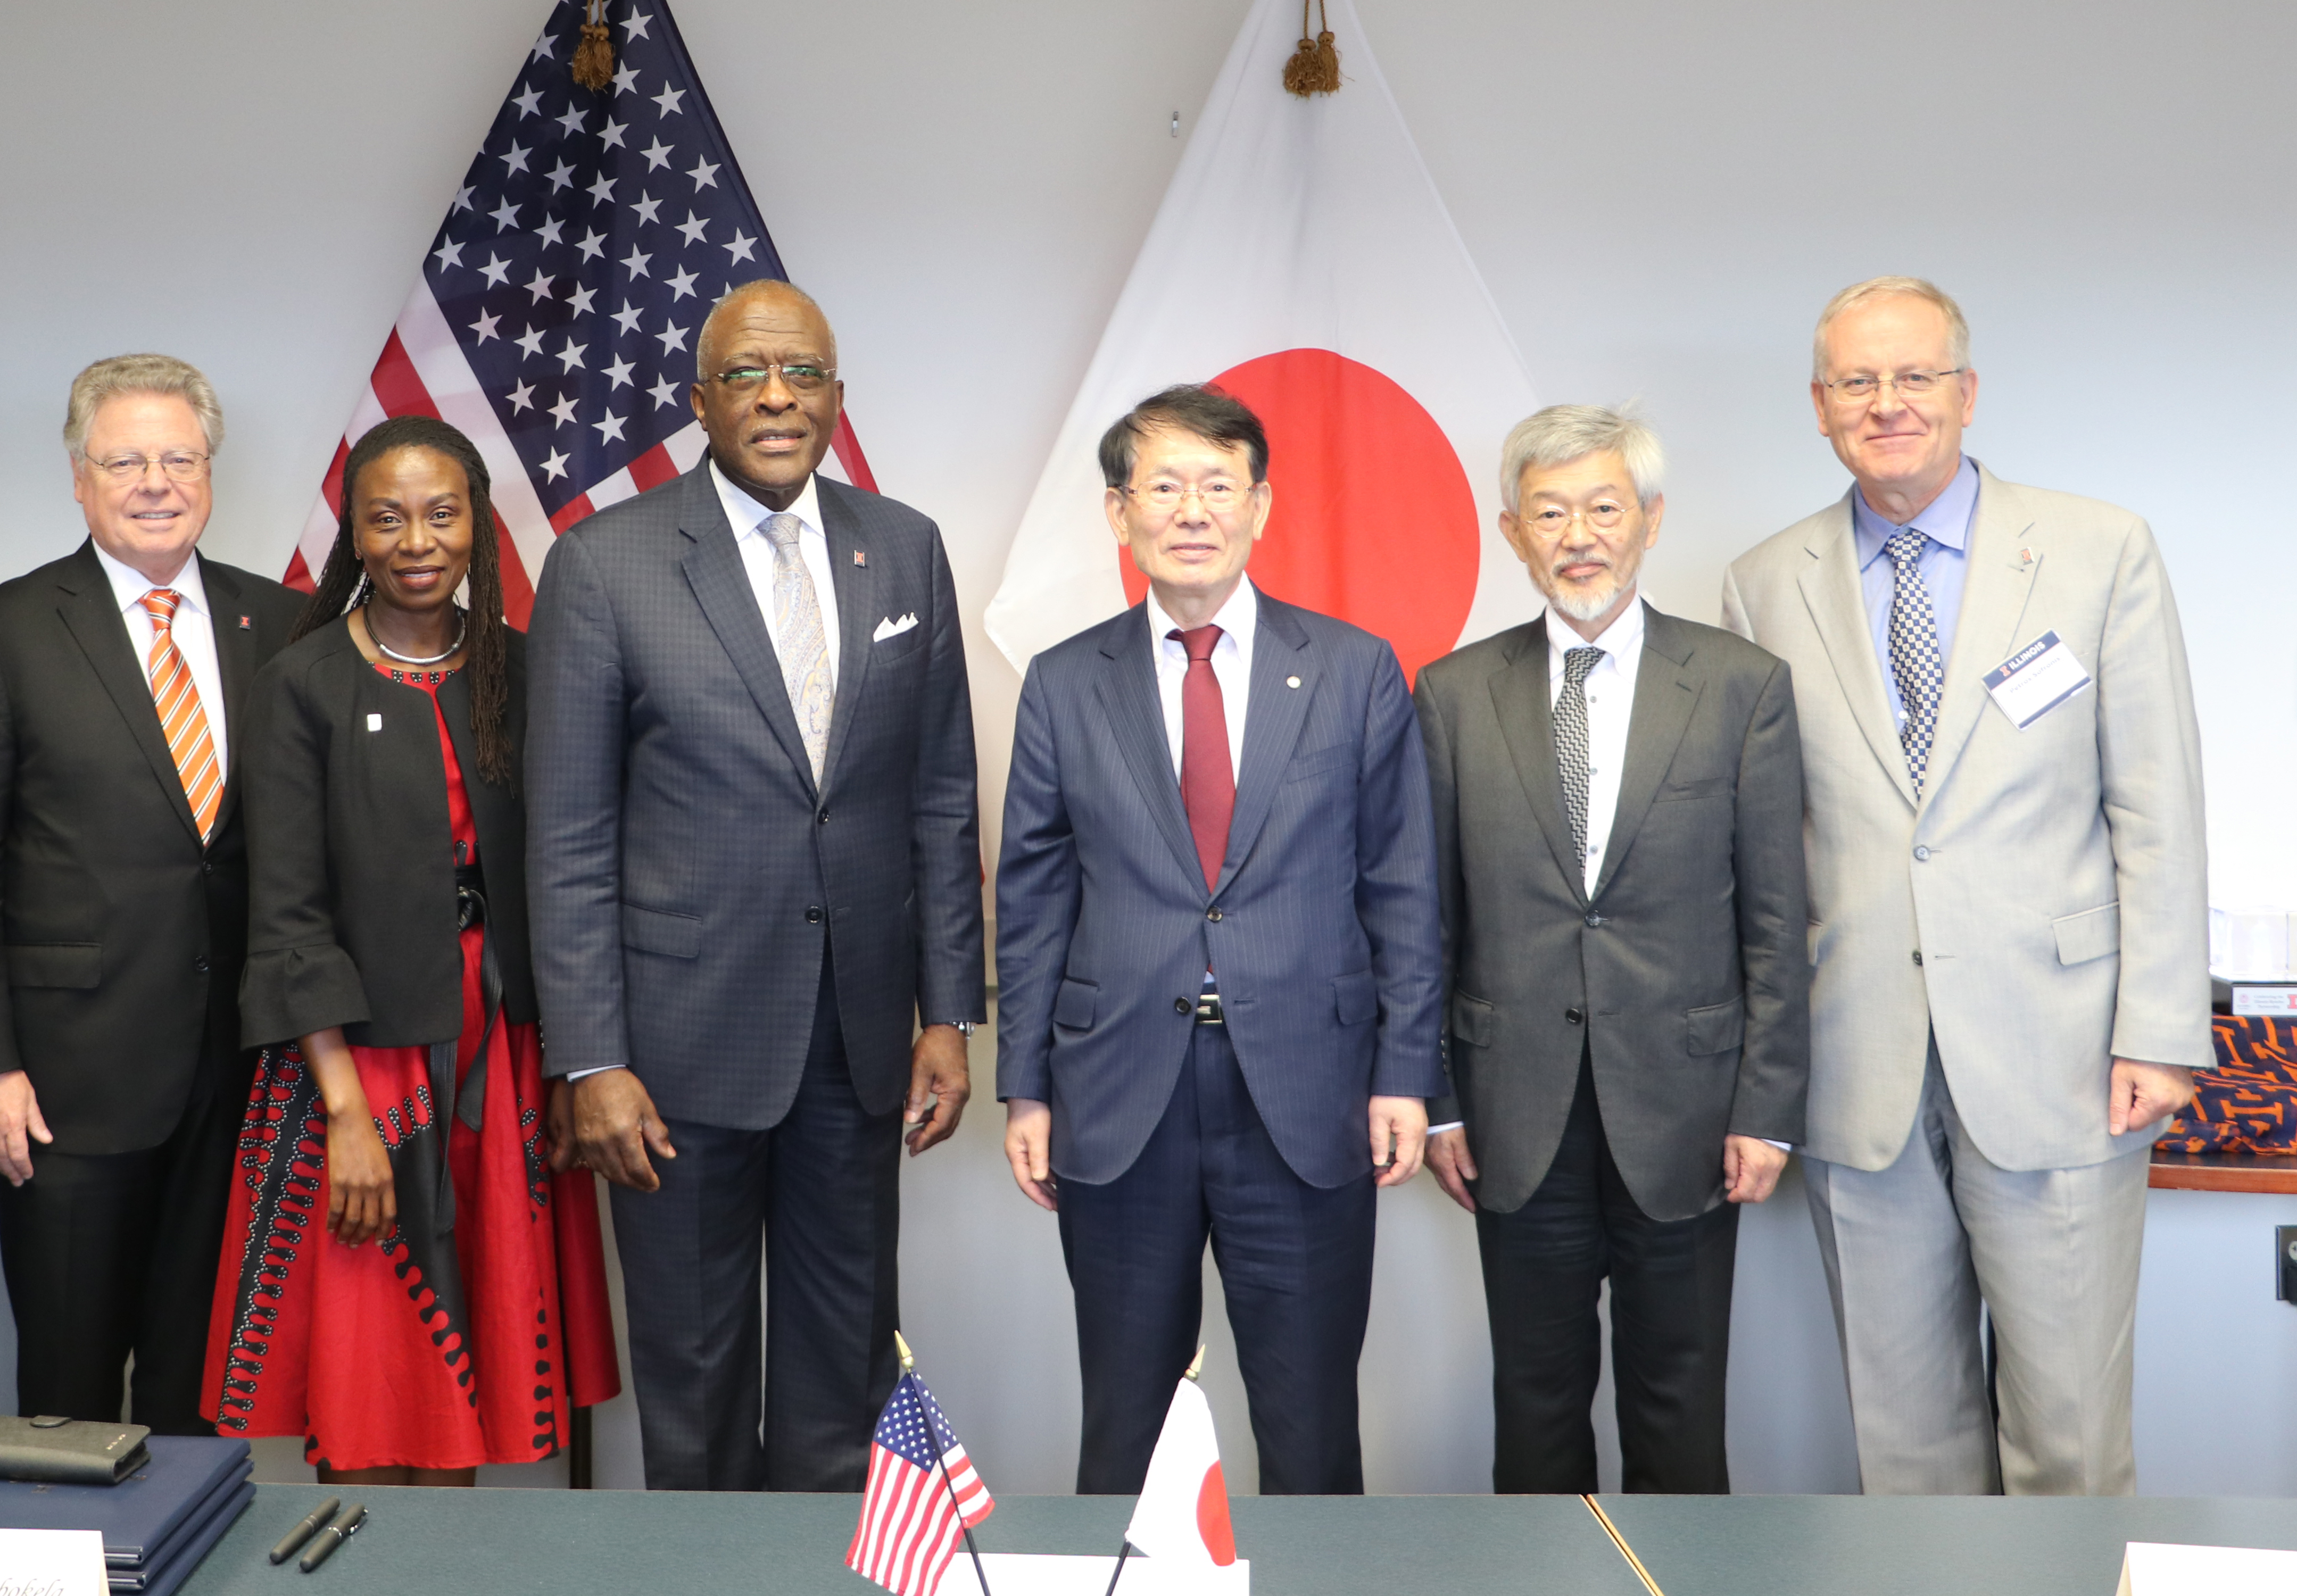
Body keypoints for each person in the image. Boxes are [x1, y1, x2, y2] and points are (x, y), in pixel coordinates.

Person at [1722, 277, 2208, 1494]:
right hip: (1857, 1061)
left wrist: (2160, 1026)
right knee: (1906, 1445)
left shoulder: (2100, 552)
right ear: (1821, 408)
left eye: (1915, 377)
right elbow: (1762, 853)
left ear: (1967, 393)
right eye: (1857, 382)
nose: (1888, 405)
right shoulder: (1761, 584)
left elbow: (2156, 805)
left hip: (2064, 1054)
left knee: (2070, 1439)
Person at [527, 280, 983, 1492]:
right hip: (674, 1056)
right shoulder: (603, 563)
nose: (777, 396)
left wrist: (950, 1011)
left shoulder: (905, 547)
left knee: (847, 1384)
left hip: (858, 1037)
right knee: (697, 1386)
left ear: (836, 395)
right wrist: (591, 1059)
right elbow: (568, 833)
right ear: (699, 402)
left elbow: (939, 796)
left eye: (803, 373)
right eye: (746, 374)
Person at [994, 383, 1443, 1495]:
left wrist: (1404, 1073)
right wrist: (1026, 1089)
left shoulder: (1353, 668)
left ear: (1260, 506)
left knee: (1310, 1428)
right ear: (1118, 512)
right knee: (1128, 1429)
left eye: (1216, 486)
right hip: (1117, 1094)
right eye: (1163, 486)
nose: (1191, 510)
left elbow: (1403, 885)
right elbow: (1035, 896)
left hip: (1309, 1088)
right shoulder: (1063, 683)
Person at [205, 414, 618, 1482]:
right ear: (355, 533)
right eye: (386, 519)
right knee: (370, 1378)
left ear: (479, 524)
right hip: (359, 1066)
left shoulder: (527, 672)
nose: (417, 541)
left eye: (442, 514)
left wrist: (575, 1063)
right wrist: (344, 1111)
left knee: (472, 1369)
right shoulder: (301, 684)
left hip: (507, 1064)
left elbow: (575, 876)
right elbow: (285, 912)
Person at [1416, 405, 1807, 1495]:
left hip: (1687, 1107)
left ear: (1649, 520)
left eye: (1602, 507)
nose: (1578, 534)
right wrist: (1438, 1098)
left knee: (1680, 1407)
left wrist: (1766, 1107)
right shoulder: (1452, 694)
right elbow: (1427, 922)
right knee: (1533, 1408)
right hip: (1511, 1107)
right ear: (1512, 532)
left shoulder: (1739, 686)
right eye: (1550, 512)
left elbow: (1778, 918)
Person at [0, 354, 305, 1430]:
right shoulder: (6, 629)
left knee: (203, 1386)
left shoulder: (278, 626)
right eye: (125, 459)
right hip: (65, 1080)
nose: (155, 481)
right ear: (79, 479)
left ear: (211, 474)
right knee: (70, 1388)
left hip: (238, 1071)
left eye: (179, 457)